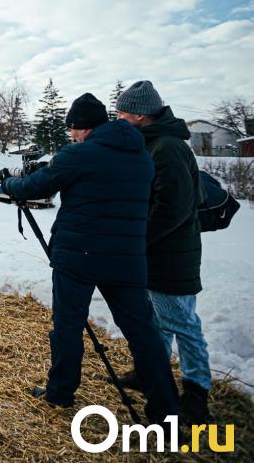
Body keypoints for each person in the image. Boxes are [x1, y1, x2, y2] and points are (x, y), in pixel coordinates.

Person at [0, 93, 179, 422]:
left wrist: (7, 182)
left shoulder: (79, 154)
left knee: (67, 325)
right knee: (142, 331)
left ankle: (60, 392)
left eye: (73, 130)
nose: (71, 136)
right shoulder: (141, 156)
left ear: (82, 128)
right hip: (127, 258)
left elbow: (35, 186)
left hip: (78, 256)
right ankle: (166, 410)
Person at [117, 80, 210, 423]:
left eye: (122, 112)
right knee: (157, 321)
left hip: (172, 254)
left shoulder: (168, 148)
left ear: (140, 115)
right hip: (157, 252)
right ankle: (150, 373)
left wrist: (137, 240)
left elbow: (171, 208)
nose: (118, 118)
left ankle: (196, 393)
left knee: (183, 324)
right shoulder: (152, 144)